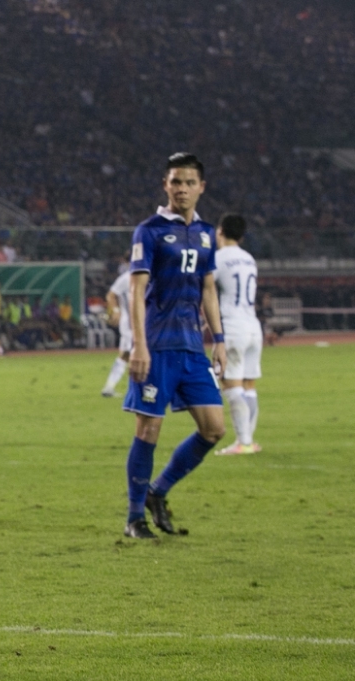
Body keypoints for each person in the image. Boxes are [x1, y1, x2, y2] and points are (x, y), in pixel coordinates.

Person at [122, 152, 226, 539]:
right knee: (149, 429)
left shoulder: (205, 233)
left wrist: (219, 339)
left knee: (214, 429)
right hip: (158, 345)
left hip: (191, 348)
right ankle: (134, 518)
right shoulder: (148, 231)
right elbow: (136, 290)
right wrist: (139, 346)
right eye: (175, 181)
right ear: (165, 185)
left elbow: (209, 289)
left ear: (201, 187)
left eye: (189, 182)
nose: (181, 188)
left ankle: (157, 491)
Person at [212, 213, 263, 455]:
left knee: (230, 384)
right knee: (248, 384)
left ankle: (243, 442)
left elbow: (205, 289)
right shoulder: (249, 259)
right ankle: (249, 440)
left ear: (219, 231)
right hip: (253, 325)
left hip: (232, 327)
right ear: (242, 236)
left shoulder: (219, 258)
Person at [101, 259, 133, 396]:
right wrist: (115, 310)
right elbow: (111, 294)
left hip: (148, 323)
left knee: (130, 355)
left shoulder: (152, 276)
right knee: (126, 354)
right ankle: (109, 387)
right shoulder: (127, 278)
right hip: (130, 324)